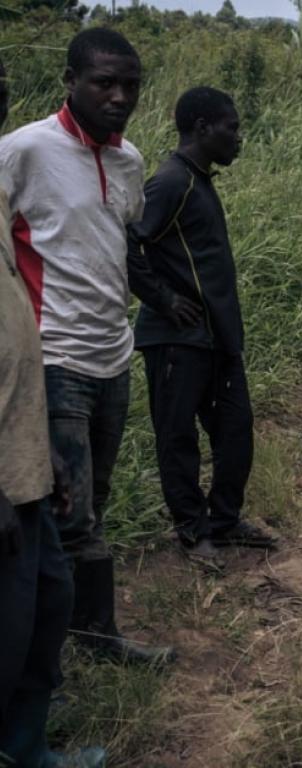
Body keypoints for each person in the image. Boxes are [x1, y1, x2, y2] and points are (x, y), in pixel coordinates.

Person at [0, 28, 173, 666]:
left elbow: (119, 245)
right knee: (67, 514)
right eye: (105, 82)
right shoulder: (24, 150)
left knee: (91, 503)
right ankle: (75, 650)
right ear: (70, 81)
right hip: (54, 359)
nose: (119, 95)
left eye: (130, 84)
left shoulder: (129, 160)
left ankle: (80, 641)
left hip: (112, 355)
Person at [0, 55, 107, 768]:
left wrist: (38, 452)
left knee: (45, 603)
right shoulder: (25, 155)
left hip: (25, 459)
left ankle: (27, 745)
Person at [127, 87, 276, 572]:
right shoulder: (171, 182)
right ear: (202, 127)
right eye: (231, 128)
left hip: (218, 339)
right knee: (178, 438)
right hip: (176, 340)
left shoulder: (200, 183)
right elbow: (127, 243)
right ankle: (192, 531)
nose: (238, 137)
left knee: (235, 431)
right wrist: (166, 300)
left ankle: (225, 521)